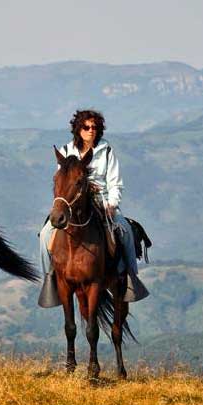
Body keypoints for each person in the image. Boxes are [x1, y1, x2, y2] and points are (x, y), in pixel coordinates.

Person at [39, 110, 149, 304]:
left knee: (125, 231)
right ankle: (50, 279)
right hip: (72, 203)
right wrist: (60, 203)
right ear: (78, 129)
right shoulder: (66, 151)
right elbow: (61, 183)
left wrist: (112, 204)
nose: (91, 131)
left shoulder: (106, 151)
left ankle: (131, 277)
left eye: (95, 127)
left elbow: (115, 182)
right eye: (86, 127)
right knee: (46, 234)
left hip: (103, 201)